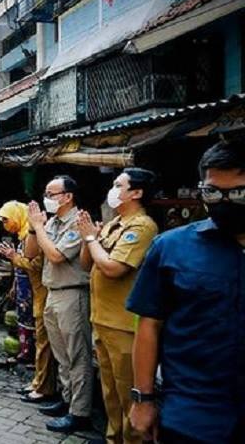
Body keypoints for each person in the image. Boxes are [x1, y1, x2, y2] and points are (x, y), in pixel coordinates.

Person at [127, 140, 245, 444]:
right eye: (213, 192)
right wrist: (142, 398)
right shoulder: (171, 247)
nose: (224, 201)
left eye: (239, 193)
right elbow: (149, 325)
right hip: (190, 415)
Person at [76, 168, 158, 444]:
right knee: (109, 392)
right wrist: (90, 238)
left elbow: (112, 268)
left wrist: (90, 238)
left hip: (124, 324)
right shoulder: (114, 223)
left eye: (118, 185)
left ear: (136, 193)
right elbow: (88, 264)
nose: (113, 190)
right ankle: (113, 438)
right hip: (102, 319)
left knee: (127, 395)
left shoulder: (142, 226)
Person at [25, 175, 93, 434]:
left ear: (68, 196)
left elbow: (55, 255)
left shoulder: (78, 222)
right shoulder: (51, 222)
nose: (47, 198)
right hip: (52, 292)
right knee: (61, 356)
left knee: (77, 355)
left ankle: (80, 412)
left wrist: (40, 228)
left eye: (52, 194)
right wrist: (34, 228)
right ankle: (67, 401)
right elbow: (31, 253)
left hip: (72, 293)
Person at [0, 201, 57, 404]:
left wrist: (13, 257)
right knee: (40, 339)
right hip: (32, 291)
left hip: (42, 292)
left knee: (43, 341)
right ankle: (39, 382)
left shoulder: (37, 235)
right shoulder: (25, 235)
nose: (5, 224)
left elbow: (35, 264)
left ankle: (43, 385)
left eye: (7, 219)